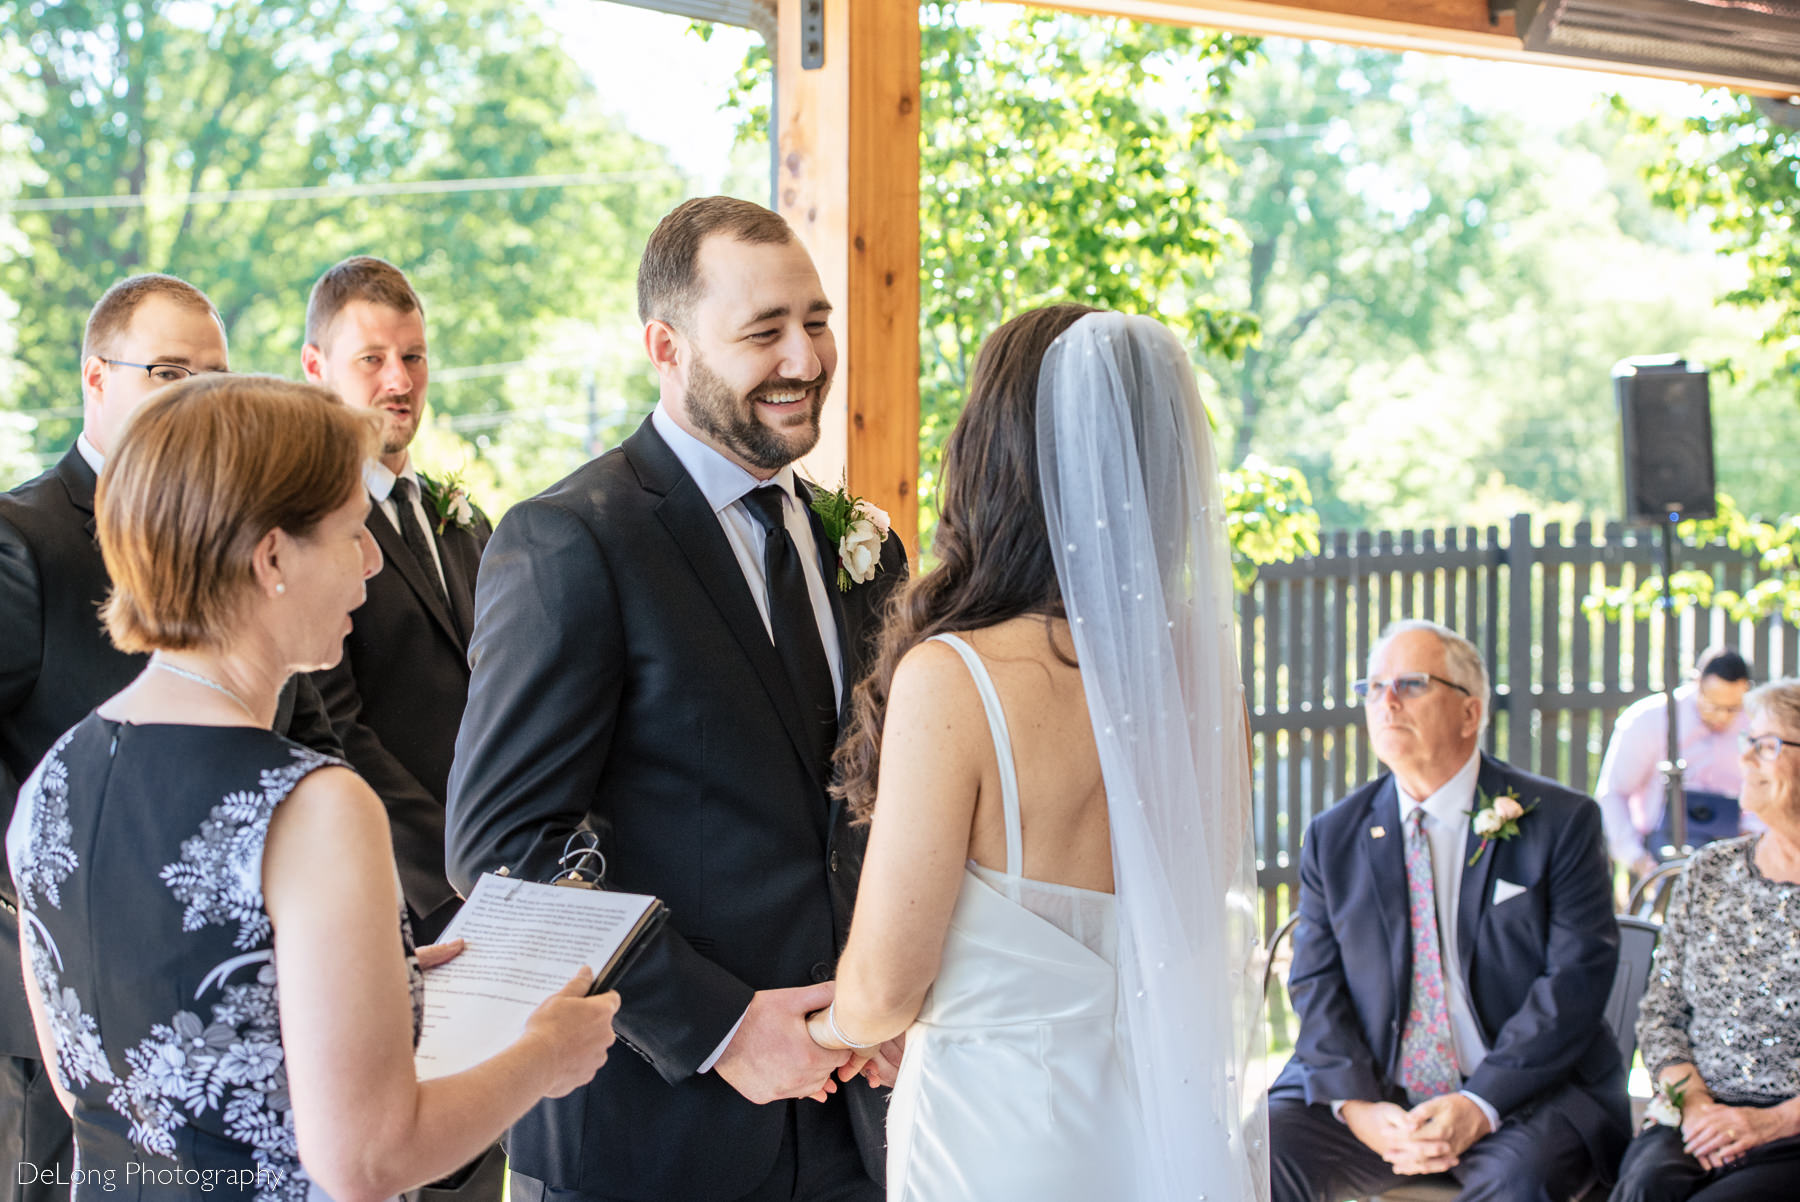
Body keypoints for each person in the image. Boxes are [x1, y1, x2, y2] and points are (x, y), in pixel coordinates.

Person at [7, 374, 619, 1200]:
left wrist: (376, 980)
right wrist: (543, 1054)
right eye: (352, 533)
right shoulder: (313, 806)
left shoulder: (54, 777)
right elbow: (368, 1159)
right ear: (271, 558)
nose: (371, 563)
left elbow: (105, 1070)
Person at [446, 196, 908, 1202]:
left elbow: (874, 809)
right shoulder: (574, 539)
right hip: (652, 1131)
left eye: (816, 321)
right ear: (665, 344)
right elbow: (500, 849)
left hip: (855, 1127)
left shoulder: (861, 547)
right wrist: (723, 1025)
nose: (805, 357)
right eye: (763, 331)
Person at [803, 307, 1266, 1201]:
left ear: (995, 457)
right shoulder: (1201, 680)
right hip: (1164, 1135)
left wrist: (823, 1034)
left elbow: (886, 985)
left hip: (1002, 1142)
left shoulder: (958, 677)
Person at [0, 274, 341, 1199]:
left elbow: (307, 737)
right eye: (167, 372)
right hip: (72, 1013)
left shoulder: (249, 547)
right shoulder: (21, 541)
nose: (195, 398)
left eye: (215, 377)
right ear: (94, 379)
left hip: (257, 1011)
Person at [1268, 619, 1630, 1202]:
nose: (1385, 703)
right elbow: (1314, 982)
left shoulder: (1560, 822)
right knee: (1268, 1144)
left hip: (1523, 1091)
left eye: (1410, 685)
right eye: (1372, 687)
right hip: (1378, 1087)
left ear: (1470, 713)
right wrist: (1357, 1105)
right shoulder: (1334, 836)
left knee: (1521, 1179)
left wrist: (1479, 1103)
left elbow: (1575, 982)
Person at [301, 256, 491, 943]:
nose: (400, 380)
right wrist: (458, 878)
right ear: (316, 368)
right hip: (402, 893)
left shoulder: (464, 518)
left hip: (506, 871)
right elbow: (336, 730)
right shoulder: (307, 528)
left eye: (413, 356)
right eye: (372, 359)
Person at [1608, 677, 1800, 1202]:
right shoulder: (1710, 870)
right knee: (1646, 1186)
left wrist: (1772, 1124)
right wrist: (1696, 1108)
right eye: (1748, 743)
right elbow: (1660, 1012)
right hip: (1696, 1114)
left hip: (1793, 1133)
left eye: (1767, 746)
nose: (1745, 760)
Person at [1595, 647, 1757, 876]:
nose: (1722, 716)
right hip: (1664, 844)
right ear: (1696, 682)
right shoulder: (1650, 719)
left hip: (1735, 847)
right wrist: (1635, 856)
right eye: (1713, 706)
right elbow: (1613, 792)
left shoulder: (1756, 724)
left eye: (1732, 708)